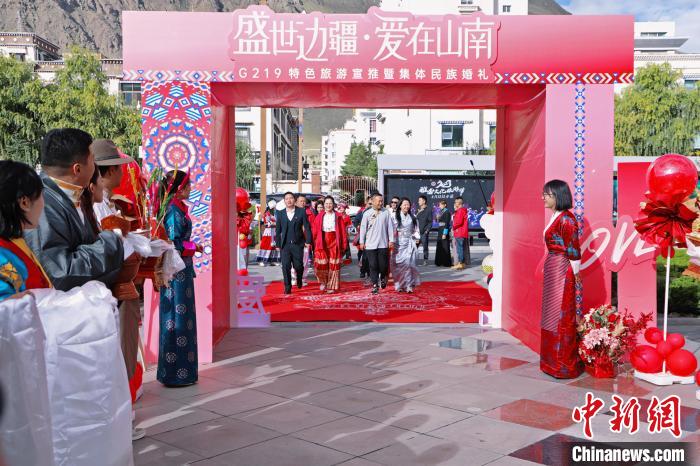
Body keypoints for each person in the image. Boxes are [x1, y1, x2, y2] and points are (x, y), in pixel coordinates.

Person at [25, 128, 124, 291]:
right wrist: (112, 241)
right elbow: (61, 272)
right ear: (77, 169)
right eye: (92, 160)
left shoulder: (69, 194)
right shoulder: (42, 205)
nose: (96, 166)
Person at [158, 170, 202, 386]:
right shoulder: (173, 210)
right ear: (180, 188)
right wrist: (195, 246)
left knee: (183, 318)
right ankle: (176, 374)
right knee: (176, 319)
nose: (191, 189)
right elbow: (174, 244)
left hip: (182, 269)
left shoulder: (178, 207)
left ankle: (184, 372)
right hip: (176, 271)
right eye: (188, 185)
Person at [540, 180, 583, 379]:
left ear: (557, 196)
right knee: (550, 317)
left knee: (561, 317)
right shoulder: (556, 216)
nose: (543, 197)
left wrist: (575, 275)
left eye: (546, 194)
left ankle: (562, 365)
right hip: (553, 268)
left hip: (562, 270)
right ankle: (549, 362)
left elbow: (573, 249)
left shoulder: (567, 219)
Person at [0, 161, 52, 301]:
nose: (44, 203)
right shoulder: (3, 255)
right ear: (24, 202)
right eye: (41, 195)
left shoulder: (15, 241)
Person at [276, 192, 313, 294]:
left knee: (298, 266)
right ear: (284, 201)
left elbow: (307, 227)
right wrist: (278, 244)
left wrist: (308, 241)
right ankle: (287, 287)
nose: (289, 200)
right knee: (285, 266)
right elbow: (278, 230)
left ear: (294, 200)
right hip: (285, 245)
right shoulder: (281, 213)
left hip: (298, 244)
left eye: (291, 198)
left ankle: (299, 278)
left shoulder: (301, 211)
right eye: (287, 199)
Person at [359, 192, 395, 295]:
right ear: (373, 201)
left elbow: (390, 227)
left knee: (383, 265)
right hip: (370, 245)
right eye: (379, 201)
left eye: (382, 201)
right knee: (373, 265)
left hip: (383, 244)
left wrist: (391, 240)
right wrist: (362, 242)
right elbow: (363, 228)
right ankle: (375, 285)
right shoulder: (367, 213)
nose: (381, 203)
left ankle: (383, 277)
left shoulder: (386, 212)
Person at [313, 196, 347, 293]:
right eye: (326, 203)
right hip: (322, 241)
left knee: (333, 265)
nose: (328, 205)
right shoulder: (319, 216)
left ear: (333, 205)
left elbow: (343, 232)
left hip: (334, 241)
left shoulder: (338, 216)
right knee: (321, 264)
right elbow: (315, 231)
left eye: (330, 203)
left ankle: (331, 286)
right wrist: (314, 243)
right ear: (324, 205)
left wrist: (344, 245)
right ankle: (323, 282)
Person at [394, 198, 421, 293]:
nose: (406, 206)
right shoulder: (395, 217)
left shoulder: (413, 217)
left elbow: (416, 230)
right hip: (398, 244)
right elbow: (391, 230)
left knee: (410, 264)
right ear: (400, 206)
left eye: (408, 204)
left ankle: (409, 285)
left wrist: (416, 237)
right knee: (400, 265)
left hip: (410, 243)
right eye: (404, 204)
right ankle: (400, 285)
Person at [292, 194, 315, 286]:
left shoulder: (309, 213)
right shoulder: (291, 212)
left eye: (304, 201)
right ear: (296, 202)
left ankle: (303, 278)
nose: (303, 203)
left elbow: (312, 228)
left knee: (304, 261)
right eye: (301, 201)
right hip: (293, 241)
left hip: (305, 241)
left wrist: (309, 240)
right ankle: (294, 277)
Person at [81, 164, 104, 236]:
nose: (103, 186)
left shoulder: (88, 213)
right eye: (101, 180)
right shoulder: (84, 217)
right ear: (92, 188)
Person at [257, 200, 280, 266]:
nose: (275, 208)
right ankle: (261, 260)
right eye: (274, 207)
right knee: (265, 245)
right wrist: (276, 223)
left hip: (274, 231)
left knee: (273, 246)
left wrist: (276, 223)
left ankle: (272, 261)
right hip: (268, 232)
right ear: (271, 207)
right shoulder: (266, 214)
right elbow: (267, 224)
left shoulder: (275, 214)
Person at [353, 196, 371, 279]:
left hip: (372, 238)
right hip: (362, 237)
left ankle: (369, 272)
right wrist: (358, 226)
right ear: (366, 203)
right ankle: (362, 271)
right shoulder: (361, 212)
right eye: (369, 203)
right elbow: (355, 222)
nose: (371, 205)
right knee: (361, 255)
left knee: (369, 256)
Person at [451, 196, 471, 270]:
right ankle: (462, 263)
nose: (454, 203)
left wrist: (453, 226)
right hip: (462, 232)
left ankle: (460, 263)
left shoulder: (460, 210)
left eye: (455, 202)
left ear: (458, 203)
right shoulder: (463, 210)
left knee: (459, 248)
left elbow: (458, 222)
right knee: (461, 248)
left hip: (459, 232)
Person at [434, 200, 452, 267]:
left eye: (441, 205)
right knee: (440, 246)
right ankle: (439, 261)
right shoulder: (441, 212)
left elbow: (447, 224)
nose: (440, 206)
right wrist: (437, 218)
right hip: (440, 230)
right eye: (439, 205)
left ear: (445, 205)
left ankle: (446, 262)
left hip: (444, 230)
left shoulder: (447, 212)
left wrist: (445, 233)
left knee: (445, 246)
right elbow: (438, 221)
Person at [415, 195, 432, 266]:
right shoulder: (418, 210)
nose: (418, 202)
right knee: (414, 247)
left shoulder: (428, 210)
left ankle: (425, 260)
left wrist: (427, 231)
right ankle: (413, 260)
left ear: (424, 201)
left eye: (420, 200)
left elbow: (430, 222)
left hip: (424, 232)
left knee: (425, 247)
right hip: (417, 233)